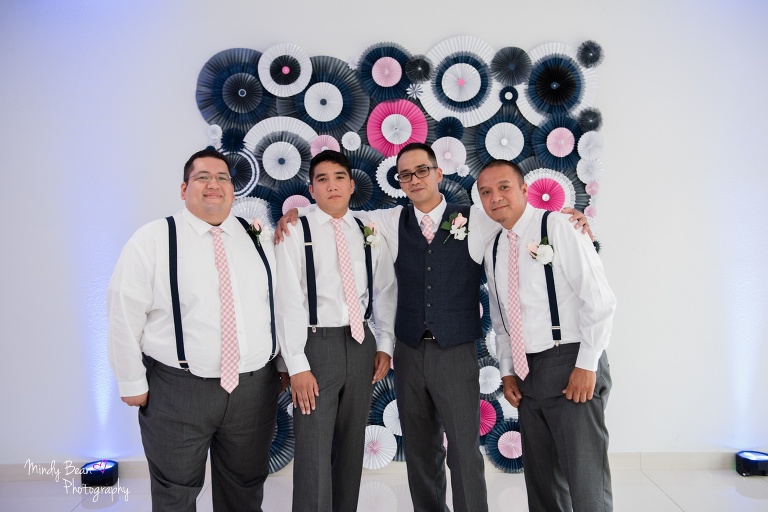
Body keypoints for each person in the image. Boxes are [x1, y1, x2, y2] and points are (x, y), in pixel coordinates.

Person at [277, 143, 590, 512]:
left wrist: (569, 219)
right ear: (399, 181)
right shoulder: (387, 222)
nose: (414, 179)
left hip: (456, 352)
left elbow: (517, 216)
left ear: (438, 173)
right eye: (405, 174)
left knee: (463, 452)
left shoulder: (478, 218)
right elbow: (337, 212)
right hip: (409, 353)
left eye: (422, 170)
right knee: (420, 452)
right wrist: (296, 213)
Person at [107, 148, 288, 512]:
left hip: (254, 390)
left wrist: (283, 364)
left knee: (245, 488)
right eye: (202, 177)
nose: (213, 184)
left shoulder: (257, 236)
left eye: (222, 178)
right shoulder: (153, 238)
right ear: (183, 188)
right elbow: (123, 311)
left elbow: (279, 304)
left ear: (233, 190)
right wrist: (130, 380)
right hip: (178, 391)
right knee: (175, 493)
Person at [477, 159, 616, 512]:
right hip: (527, 372)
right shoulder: (494, 249)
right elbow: (501, 320)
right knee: (542, 484)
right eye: (486, 192)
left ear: (524, 189)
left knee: (585, 480)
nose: (495, 197)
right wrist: (508, 370)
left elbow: (599, 300)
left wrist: (587, 364)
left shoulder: (558, 226)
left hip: (570, 360)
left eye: (504, 187)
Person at [274, 150, 396, 512]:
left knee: (350, 447)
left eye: (339, 177)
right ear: (311, 189)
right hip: (315, 344)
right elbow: (287, 299)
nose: (332, 186)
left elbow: (386, 289)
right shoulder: (296, 230)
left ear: (351, 184)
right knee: (313, 450)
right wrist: (296, 364)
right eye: (322, 180)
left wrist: (385, 344)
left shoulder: (368, 227)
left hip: (361, 344)